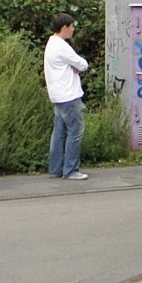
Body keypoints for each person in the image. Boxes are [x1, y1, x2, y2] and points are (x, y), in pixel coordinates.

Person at [44, 12, 90, 180]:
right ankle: (71, 170)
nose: (73, 30)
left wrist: (74, 66)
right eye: (71, 27)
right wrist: (78, 66)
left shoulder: (51, 43)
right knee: (76, 131)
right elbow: (82, 64)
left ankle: (55, 169)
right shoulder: (62, 46)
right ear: (64, 28)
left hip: (58, 95)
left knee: (59, 133)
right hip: (69, 95)